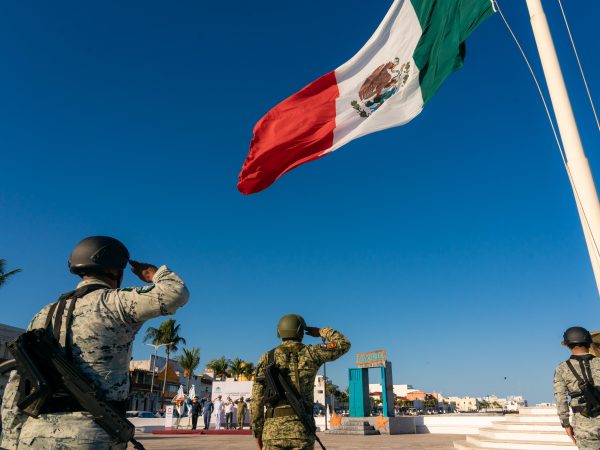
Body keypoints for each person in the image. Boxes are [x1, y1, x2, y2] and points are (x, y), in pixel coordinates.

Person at [0, 236, 189, 450]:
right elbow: (175, 293)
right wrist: (153, 274)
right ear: (115, 270)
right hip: (90, 435)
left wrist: (10, 442)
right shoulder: (115, 302)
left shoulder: (43, 315)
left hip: (33, 436)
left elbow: (17, 384)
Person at [251, 314, 350, 450]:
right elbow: (343, 344)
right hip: (302, 430)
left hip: (272, 433)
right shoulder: (311, 353)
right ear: (301, 332)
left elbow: (256, 400)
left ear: (279, 332)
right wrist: (321, 331)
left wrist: (257, 433)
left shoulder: (267, 358)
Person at [554, 326, 600, 449]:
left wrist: (566, 424)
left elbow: (561, 399)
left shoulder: (562, 369)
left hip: (585, 428)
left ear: (568, 345)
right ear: (589, 342)